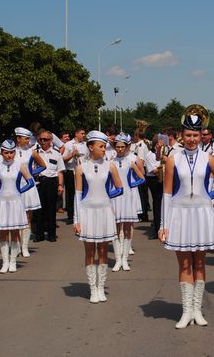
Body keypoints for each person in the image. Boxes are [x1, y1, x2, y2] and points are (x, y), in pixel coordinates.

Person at [158, 111, 214, 329]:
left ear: (201, 137)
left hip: (201, 214)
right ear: (182, 135)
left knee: (199, 262)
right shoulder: (172, 159)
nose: (191, 139)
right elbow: (167, 194)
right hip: (179, 214)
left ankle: (197, 310)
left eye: (195, 135)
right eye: (188, 135)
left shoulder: (209, 159)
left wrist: (209, 197)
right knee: (184, 263)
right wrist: (164, 225)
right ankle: (185, 310)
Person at [73, 130, 124, 303]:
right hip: (87, 212)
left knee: (103, 249)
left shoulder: (110, 165)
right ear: (91, 147)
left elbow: (120, 187)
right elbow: (78, 195)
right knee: (89, 250)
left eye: (104, 146)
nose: (104, 150)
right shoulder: (80, 167)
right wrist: (76, 219)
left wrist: (107, 198)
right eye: (101, 146)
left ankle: (101, 286)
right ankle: (92, 288)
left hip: (105, 211)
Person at [0, 139, 35, 273]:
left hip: (16, 202)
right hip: (1, 202)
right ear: (2, 153)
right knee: (3, 233)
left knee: (15, 232)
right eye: (6, 152)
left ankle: (13, 261)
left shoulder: (20, 165)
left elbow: (30, 182)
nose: (9, 155)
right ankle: (4, 262)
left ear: (14, 152)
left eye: (11, 152)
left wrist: (19, 191)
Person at [110, 132, 145, 272]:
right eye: (117, 146)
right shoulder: (110, 162)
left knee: (127, 228)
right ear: (114, 147)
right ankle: (118, 259)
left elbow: (142, 178)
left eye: (122, 146)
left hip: (128, 197)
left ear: (126, 147)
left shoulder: (130, 162)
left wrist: (131, 184)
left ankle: (125, 259)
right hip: (115, 198)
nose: (119, 149)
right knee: (116, 229)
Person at [14, 127, 46, 257]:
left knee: (28, 216)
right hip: (15, 185)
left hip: (28, 185)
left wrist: (31, 174)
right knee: (15, 217)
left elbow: (43, 165)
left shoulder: (32, 152)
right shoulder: (11, 151)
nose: (28, 141)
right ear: (18, 139)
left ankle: (25, 246)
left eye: (28, 138)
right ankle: (16, 246)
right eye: (26, 138)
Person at [35, 129, 65, 242]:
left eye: (45, 139)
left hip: (52, 182)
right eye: (41, 139)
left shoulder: (56, 154)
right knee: (39, 209)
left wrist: (60, 185)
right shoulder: (35, 153)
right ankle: (39, 234)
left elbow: (60, 171)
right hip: (39, 181)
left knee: (51, 209)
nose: (42, 141)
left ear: (51, 140)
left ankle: (52, 234)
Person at [62, 128, 88, 225]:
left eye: (84, 133)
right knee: (71, 193)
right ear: (76, 134)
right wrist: (72, 154)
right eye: (82, 133)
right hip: (71, 171)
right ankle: (70, 215)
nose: (84, 135)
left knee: (82, 192)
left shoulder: (85, 145)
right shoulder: (68, 144)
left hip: (83, 171)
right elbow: (63, 159)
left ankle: (82, 213)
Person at [144, 138, 164, 239]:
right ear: (157, 145)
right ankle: (157, 229)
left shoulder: (161, 153)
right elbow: (153, 170)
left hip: (162, 178)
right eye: (161, 144)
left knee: (163, 203)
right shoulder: (149, 155)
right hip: (154, 180)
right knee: (157, 203)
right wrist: (164, 166)